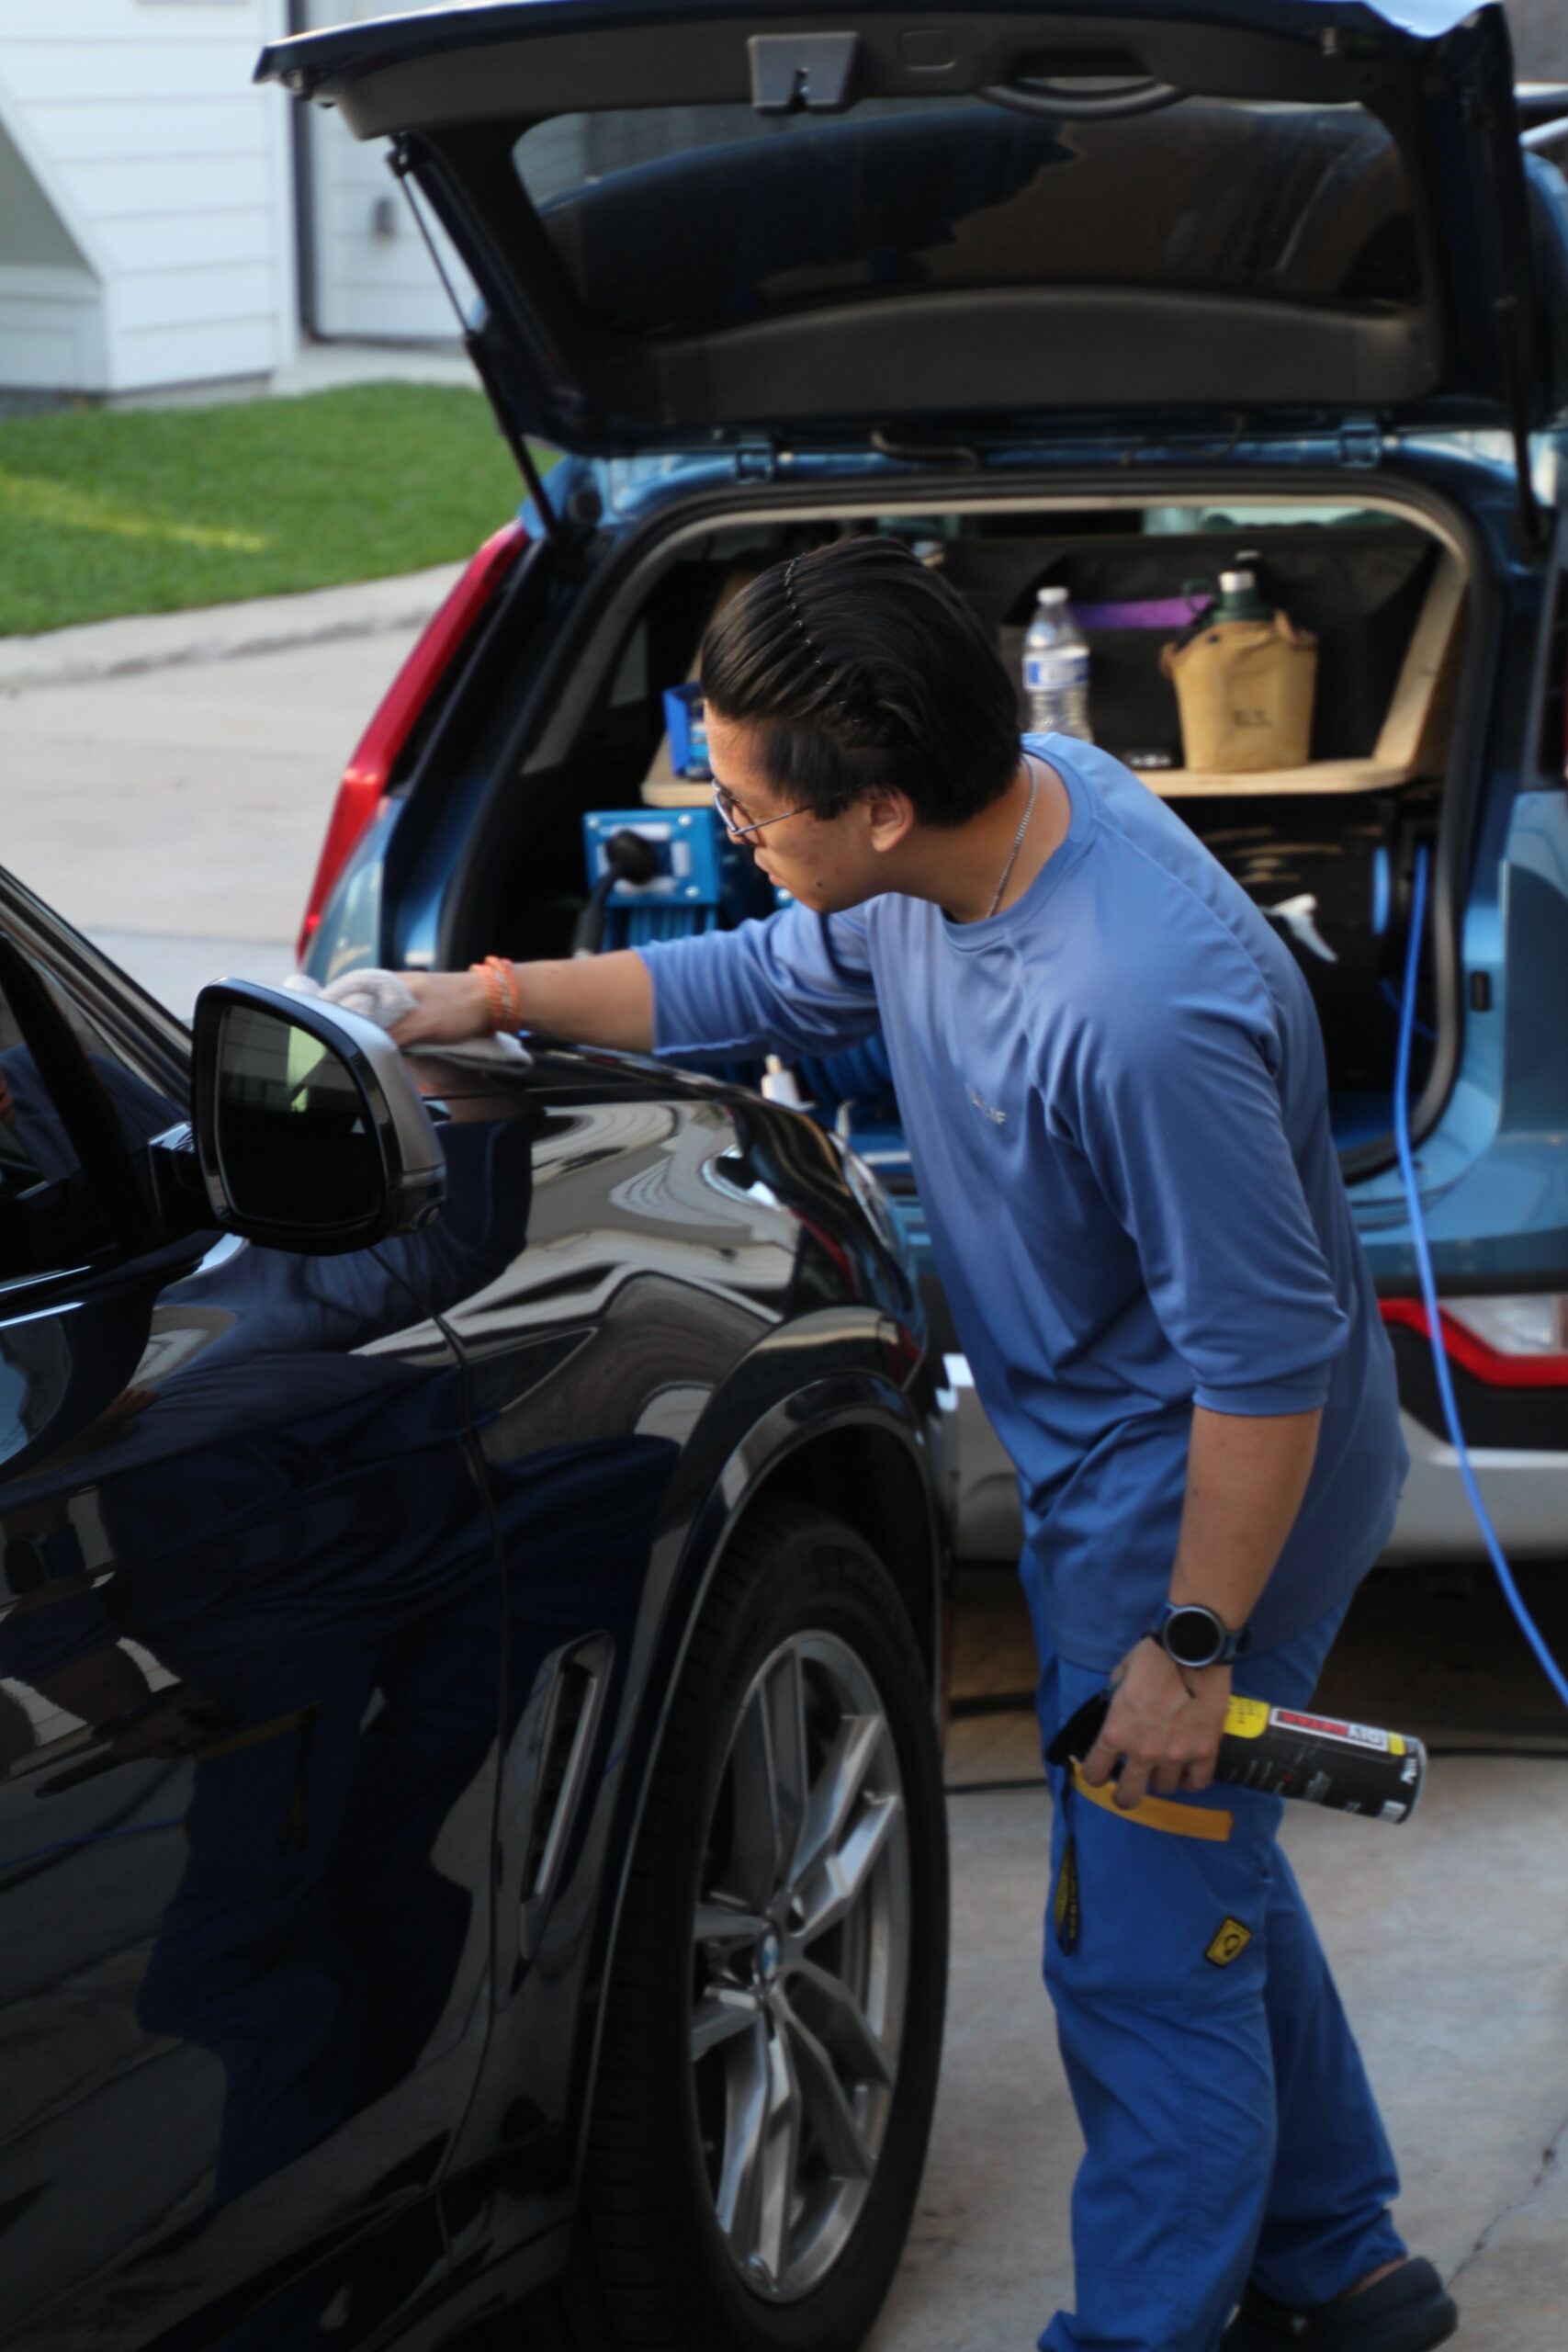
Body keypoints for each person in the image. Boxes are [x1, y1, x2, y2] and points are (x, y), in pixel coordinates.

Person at [389, 534, 1456, 2352]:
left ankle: (1142, 2329)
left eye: (744, 798)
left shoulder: (1140, 1005)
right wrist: (488, 998)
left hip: (1201, 1480)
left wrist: (1190, 1647)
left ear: (877, 804)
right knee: (1190, 1858)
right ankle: (1341, 2259)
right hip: (1114, 1447)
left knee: (1127, 1934)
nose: (728, 827)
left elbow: (1264, 1369)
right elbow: (754, 977)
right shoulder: (961, 840)